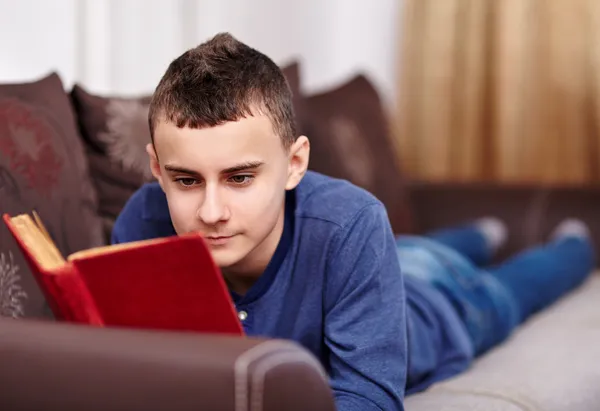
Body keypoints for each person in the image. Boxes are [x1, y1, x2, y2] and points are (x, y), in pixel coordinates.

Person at [111, 33, 596, 410]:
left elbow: (370, 400)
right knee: (416, 251)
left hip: (435, 305)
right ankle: (476, 234)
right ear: (157, 169)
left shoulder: (352, 223)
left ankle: (561, 242)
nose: (211, 212)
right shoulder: (142, 224)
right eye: (187, 181)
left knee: (505, 284)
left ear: (295, 164)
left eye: (239, 178)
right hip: (383, 264)